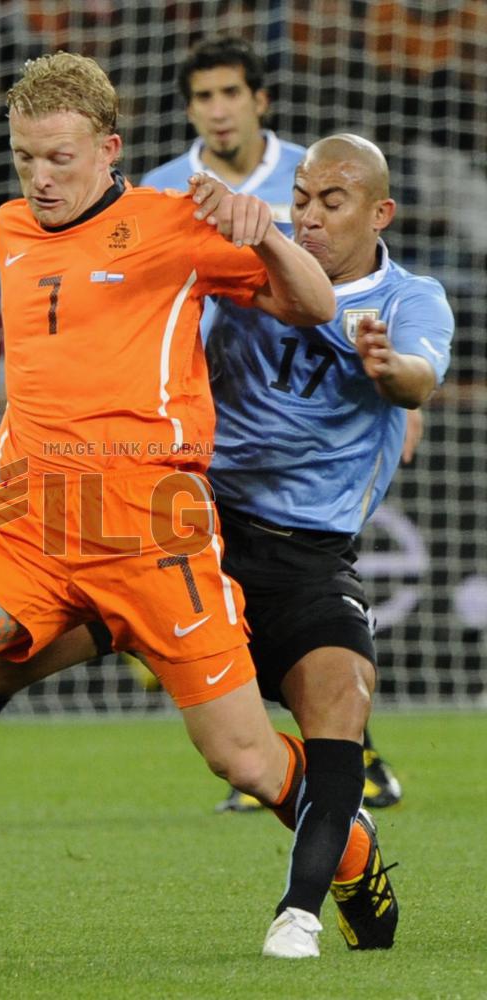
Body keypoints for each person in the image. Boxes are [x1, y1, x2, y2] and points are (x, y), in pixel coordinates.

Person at [0, 133, 454, 958]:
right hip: (182, 524)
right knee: (2, 660)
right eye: (301, 198)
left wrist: (394, 378)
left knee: (321, 718)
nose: (308, 216)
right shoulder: (247, 264)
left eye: (331, 203)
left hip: (309, 558)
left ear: (379, 212)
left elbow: (418, 376)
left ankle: (315, 898)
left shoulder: (412, 299)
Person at [145, 34, 404, 812]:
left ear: (260, 100)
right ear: (190, 109)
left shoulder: (315, 173)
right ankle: (285, 760)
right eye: (203, 97)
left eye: (231, 93)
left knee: (298, 610)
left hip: (301, 441)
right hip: (198, 432)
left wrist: (396, 401)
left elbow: (372, 284)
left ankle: (330, 760)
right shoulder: (164, 188)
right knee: (182, 606)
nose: (218, 110)